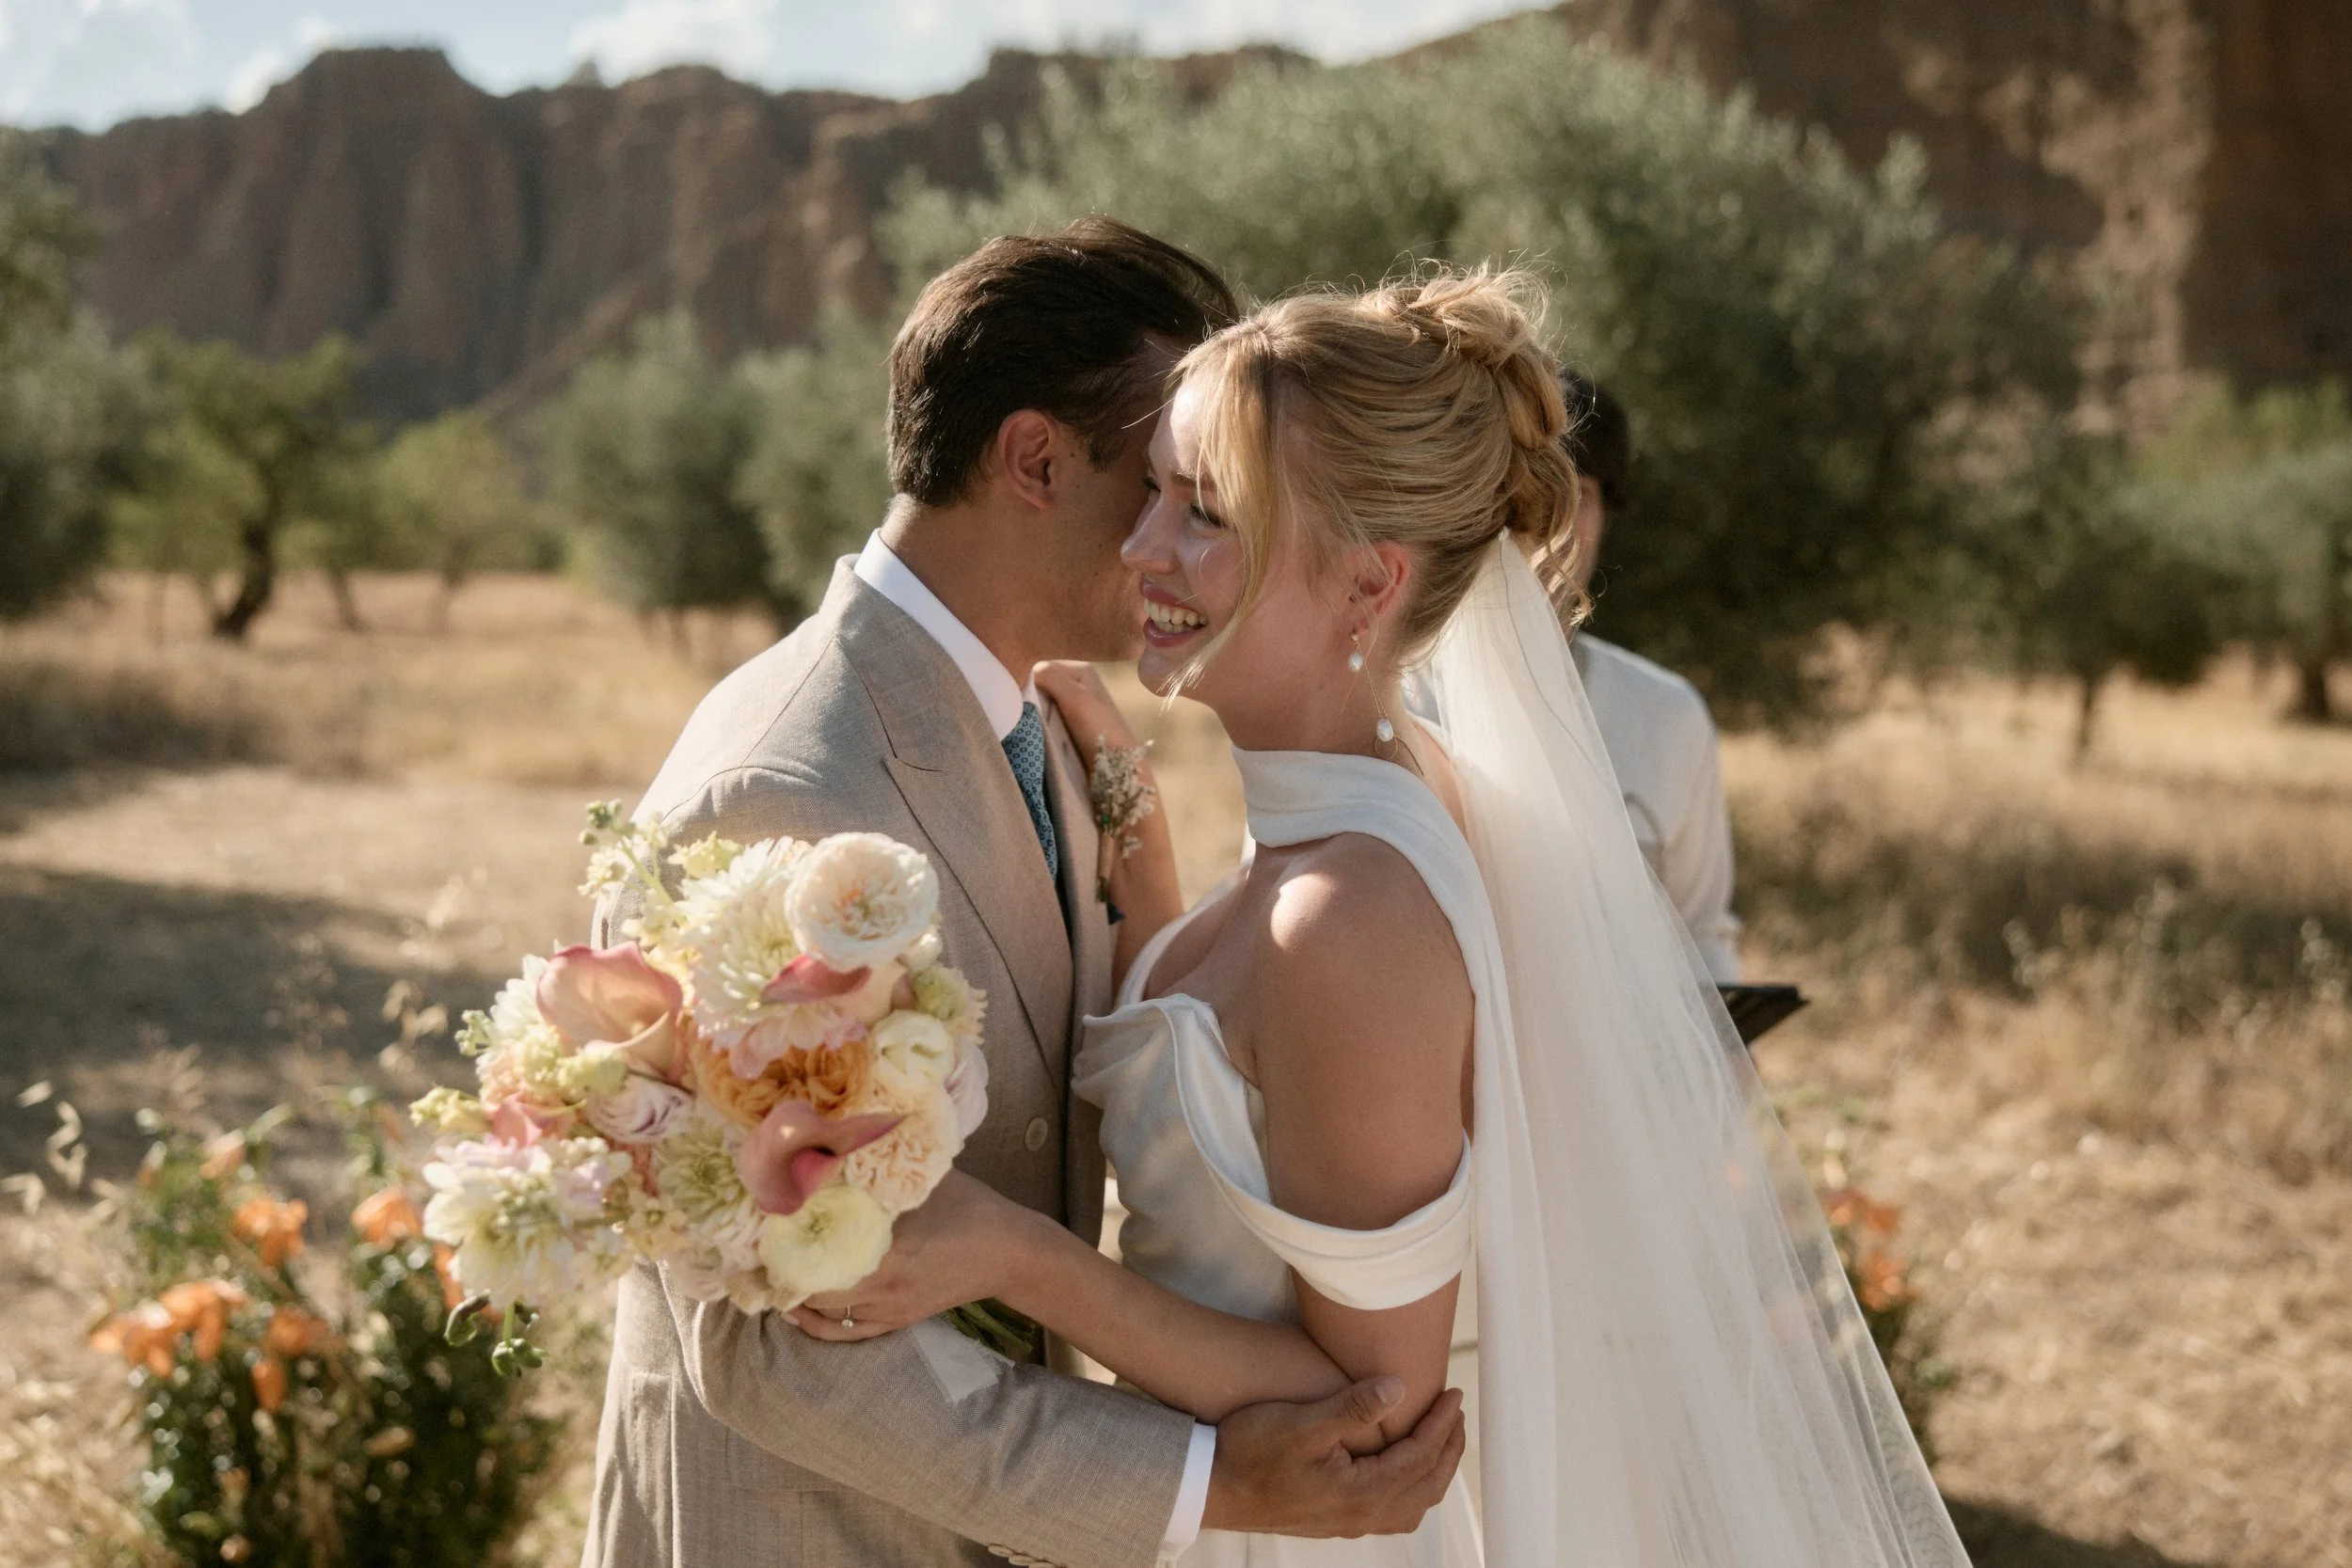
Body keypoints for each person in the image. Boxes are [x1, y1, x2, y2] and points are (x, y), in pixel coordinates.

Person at [795, 269, 1969, 1567]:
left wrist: (1015, 1255)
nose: (1141, 549)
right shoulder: (1374, 809)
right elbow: (1257, 1095)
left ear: (1367, 585)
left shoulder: (1348, 913)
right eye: (1152, 496)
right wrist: (1147, 864)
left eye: (1206, 513)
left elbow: (1375, 1406)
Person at [580, 219, 1467, 1568]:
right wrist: (1212, 1483)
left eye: (1209, 493)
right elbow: (770, 1346)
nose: (1173, 539)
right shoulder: (787, 786)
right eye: (1161, 480)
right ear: (1038, 461)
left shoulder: (1049, 728)